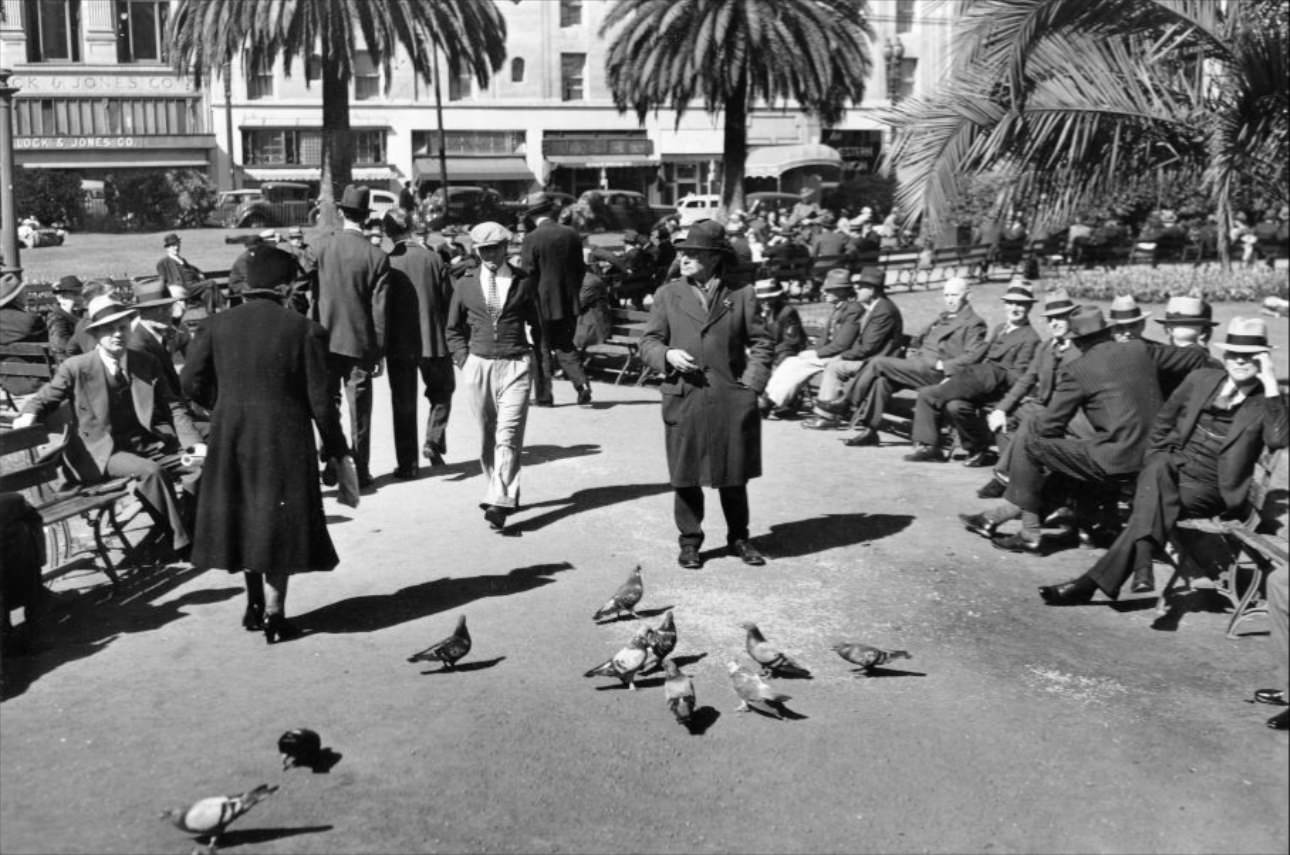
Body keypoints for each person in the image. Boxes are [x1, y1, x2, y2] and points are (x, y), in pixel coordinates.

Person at [1037, 317, 1286, 604]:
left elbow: (1278, 439)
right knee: (1157, 471)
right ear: (1226, 356)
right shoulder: (1202, 380)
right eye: (1234, 355)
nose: (1240, 362)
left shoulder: (1266, 401)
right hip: (1170, 468)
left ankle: (1121, 572)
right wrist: (1156, 455)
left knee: (1153, 499)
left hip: (1211, 486)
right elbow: (1163, 423)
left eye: (1250, 358)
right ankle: (1106, 578)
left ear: (1263, 360)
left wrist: (1269, 381)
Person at [181, 247, 354, 644]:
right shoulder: (302, 329)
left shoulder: (214, 326)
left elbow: (190, 383)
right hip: (285, 439)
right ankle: (276, 615)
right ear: (283, 285)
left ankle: (254, 604)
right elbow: (321, 402)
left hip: (232, 435)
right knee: (277, 524)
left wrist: (223, 406)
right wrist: (336, 448)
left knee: (246, 519)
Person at [14, 296, 202, 559]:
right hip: (104, 452)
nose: (117, 334)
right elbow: (46, 397)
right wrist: (29, 413)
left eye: (123, 327)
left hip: (148, 444)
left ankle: (189, 528)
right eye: (108, 329)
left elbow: (173, 406)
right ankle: (181, 544)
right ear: (96, 334)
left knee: (199, 463)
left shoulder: (144, 362)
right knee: (151, 472)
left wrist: (195, 444)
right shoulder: (78, 367)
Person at [639, 220, 774, 570]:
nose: (683, 258)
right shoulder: (669, 294)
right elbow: (649, 341)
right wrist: (666, 356)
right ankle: (690, 542)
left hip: (730, 397)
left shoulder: (741, 294)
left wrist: (751, 386)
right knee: (685, 476)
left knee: (733, 474)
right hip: (685, 394)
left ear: (715, 258)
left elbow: (761, 342)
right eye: (682, 252)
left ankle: (739, 538)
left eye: (694, 253)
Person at [985, 307, 1163, 554]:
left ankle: (1029, 531)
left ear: (1078, 339)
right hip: (1154, 452)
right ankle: (1088, 526)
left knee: (1032, 440)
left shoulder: (1082, 367)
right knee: (1053, 441)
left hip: (1115, 453)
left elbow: (1050, 425)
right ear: (1110, 332)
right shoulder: (1144, 352)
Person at [445, 222, 543, 532]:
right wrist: (465, 361)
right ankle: (500, 489)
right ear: (476, 251)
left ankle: (499, 499)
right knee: (488, 435)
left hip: (515, 364)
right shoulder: (465, 283)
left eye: (495, 249)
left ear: (506, 248)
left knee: (508, 434)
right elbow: (452, 329)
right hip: (479, 366)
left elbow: (537, 325)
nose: (490, 255)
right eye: (483, 250)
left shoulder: (524, 282)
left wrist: (534, 360)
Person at [820, 278, 989, 446]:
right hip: (918, 365)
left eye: (955, 295)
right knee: (881, 381)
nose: (950, 299)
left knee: (878, 363)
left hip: (937, 373)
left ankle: (848, 402)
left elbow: (973, 356)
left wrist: (942, 366)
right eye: (946, 295)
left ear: (968, 295)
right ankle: (870, 431)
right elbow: (922, 341)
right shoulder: (943, 317)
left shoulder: (975, 323)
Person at [904, 280, 1042, 463]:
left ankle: (927, 445)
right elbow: (981, 356)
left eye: (1020, 304)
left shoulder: (1030, 337)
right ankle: (976, 449)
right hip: (978, 381)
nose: (1014, 308)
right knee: (956, 407)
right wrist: (955, 377)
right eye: (1010, 303)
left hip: (995, 388)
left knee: (928, 395)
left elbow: (1019, 377)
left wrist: (993, 377)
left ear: (1029, 308)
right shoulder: (1001, 328)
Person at [313, 184, 390, 488]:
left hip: (325, 340)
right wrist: (379, 352)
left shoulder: (320, 248)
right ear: (366, 217)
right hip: (360, 345)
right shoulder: (376, 256)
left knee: (327, 405)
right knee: (360, 410)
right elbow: (379, 313)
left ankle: (332, 460)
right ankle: (360, 468)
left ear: (343, 212)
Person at [973, 290, 1081, 500]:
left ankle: (1004, 478)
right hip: (1043, 405)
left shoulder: (1079, 350)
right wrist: (1000, 409)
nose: (1055, 323)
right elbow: (1027, 379)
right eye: (1050, 319)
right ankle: (1014, 477)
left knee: (1029, 424)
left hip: (1068, 411)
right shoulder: (1046, 347)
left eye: (1060, 318)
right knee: (1006, 419)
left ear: (1071, 319)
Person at [383, 208, 455, 477]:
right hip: (433, 340)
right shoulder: (433, 258)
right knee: (442, 391)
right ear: (412, 226)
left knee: (403, 404)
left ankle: (407, 465)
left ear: (387, 233)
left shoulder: (386, 262)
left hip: (399, 345)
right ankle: (433, 439)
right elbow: (449, 298)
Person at [804, 267, 903, 424]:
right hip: (871, 359)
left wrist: (842, 356)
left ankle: (827, 417)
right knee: (835, 365)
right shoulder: (876, 307)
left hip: (879, 362)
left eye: (861, 287)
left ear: (871, 290)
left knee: (835, 366)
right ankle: (826, 412)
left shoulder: (883, 310)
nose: (856, 290)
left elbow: (868, 347)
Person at [520, 193, 592, 407]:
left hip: (541, 304)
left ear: (532, 216)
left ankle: (544, 396)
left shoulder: (531, 238)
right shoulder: (571, 234)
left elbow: (528, 275)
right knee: (565, 345)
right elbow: (580, 269)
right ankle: (582, 385)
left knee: (541, 349)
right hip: (568, 302)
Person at [762, 269, 863, 418]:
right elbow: (824, 339)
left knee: (799, 363)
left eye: (829, 290)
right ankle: (770, 399)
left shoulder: (853, 310)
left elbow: (842, 344)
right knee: (792, 361)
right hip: (830, 353)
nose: (824, 292)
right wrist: (812, 349)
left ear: (842, 291)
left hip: (843, 356)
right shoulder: (839, 308)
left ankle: (771, 402)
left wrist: (815, 353)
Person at [744, 279, 804, 395]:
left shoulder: (787, 312)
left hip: (785, 350)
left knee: (782, 361)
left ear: (777, 297)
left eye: (769, 298)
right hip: (766, 349)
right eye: (762, 299)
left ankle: (772, 397)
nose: (765, 301)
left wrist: (768, 351)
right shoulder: (757, 312)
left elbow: (790, 342)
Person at [156, 233, 220, 314]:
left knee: (208, 292)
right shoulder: (164, 262)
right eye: (173, 246)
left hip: (194, 286)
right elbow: (162, 282)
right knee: (211, 283)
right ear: (167, 248)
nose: (176, 247)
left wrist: (199, 273)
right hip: (184, 288)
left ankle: (212, 316)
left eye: (177, 244)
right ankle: (224, 307)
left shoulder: (181, 259)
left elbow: (192, 268)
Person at [46, 275, 83, 358]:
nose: (80, 298)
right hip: (66, 363)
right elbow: (61, 343)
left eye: (81, 294)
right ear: (61, 297)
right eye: (75, 294)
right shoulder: (56, 318)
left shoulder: (79, 314)